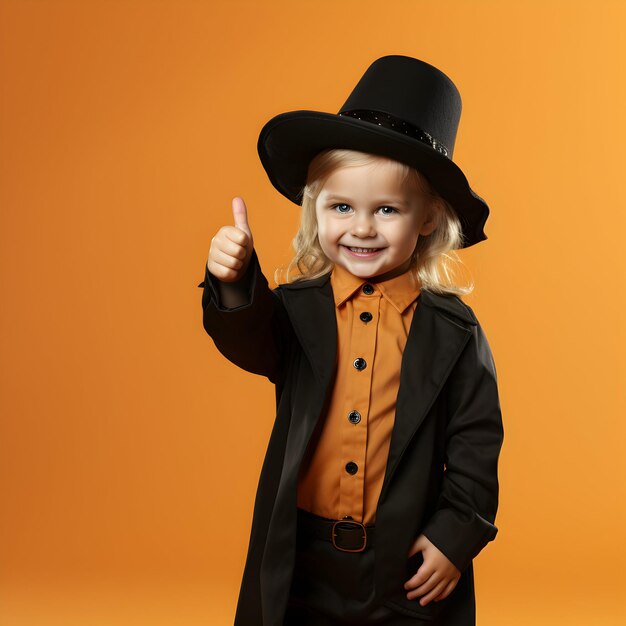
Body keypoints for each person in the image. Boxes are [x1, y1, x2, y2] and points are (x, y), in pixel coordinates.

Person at [198, 55, 504, 626]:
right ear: (317, 210)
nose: (361, 228)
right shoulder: (295, 311)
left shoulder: (454, 333)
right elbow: (250, 341)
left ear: (430, 218)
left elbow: (476, 444)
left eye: (386, 209)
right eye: (342, 207)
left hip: (404, 560)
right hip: (301, 555)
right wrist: (235, 279)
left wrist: (455, 535)